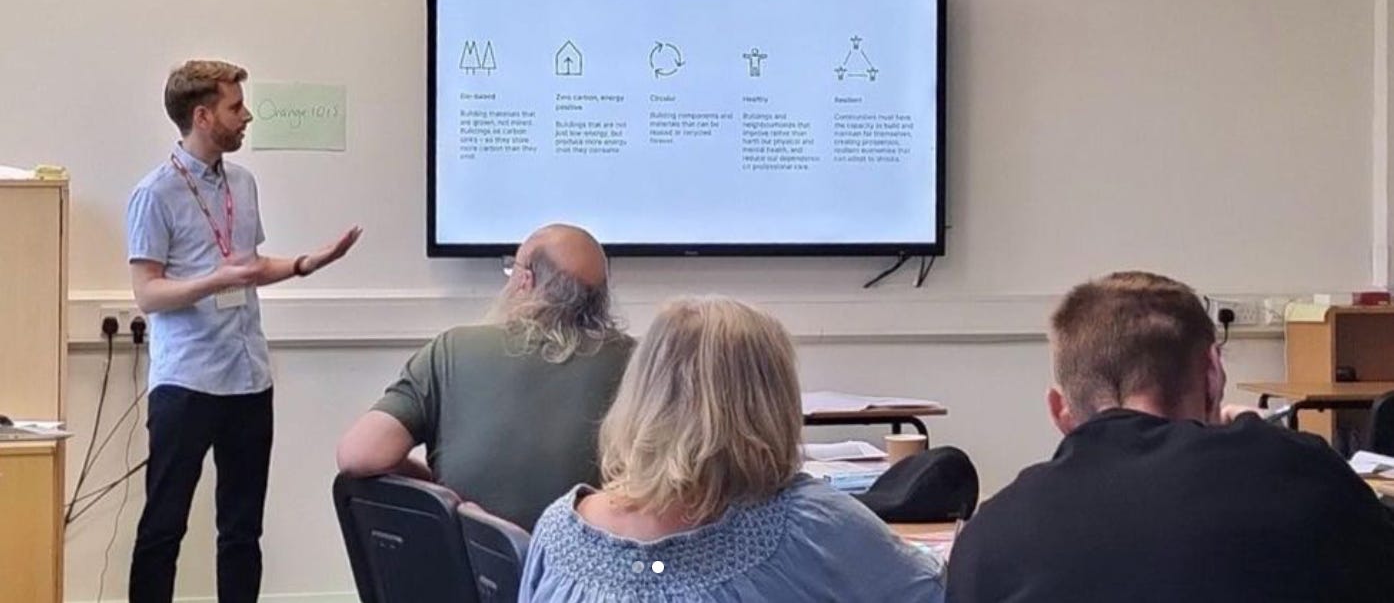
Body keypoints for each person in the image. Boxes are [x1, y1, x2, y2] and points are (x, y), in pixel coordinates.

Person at [947, 271, 1394, 603]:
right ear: (1214, 373)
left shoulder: (989, 536)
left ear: (1059, 410)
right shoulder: (1305, 477)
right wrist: (1269, 445)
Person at [521, 297, 945, 602]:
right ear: (770, 404)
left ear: (640, 396)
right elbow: (934, 592)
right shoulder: (809, 524)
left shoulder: (558, 530)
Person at [126, 59, 361, 603]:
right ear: (203, 116)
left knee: (242, 530)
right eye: (235, 107)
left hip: (248, 376)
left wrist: (307, 262)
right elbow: (148, 292)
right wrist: (213, 281)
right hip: (185, 380)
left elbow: (250, 268)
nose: (246, 116)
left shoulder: (242, 183)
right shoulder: (155, 194)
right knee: (164, 526)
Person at [336, 223, 633, 530]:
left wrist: (441, 491)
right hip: (589, 573)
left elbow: (358, 454)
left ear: (525, 281)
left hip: (472, 571)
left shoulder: (450, 351)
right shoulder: (638, 366)